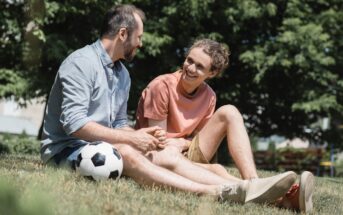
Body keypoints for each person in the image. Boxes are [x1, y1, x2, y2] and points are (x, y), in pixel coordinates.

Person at [40, 4, 299, 206]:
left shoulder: (122, 75)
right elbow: (74, 125)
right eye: (138, 37)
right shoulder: (81, 63)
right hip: (66, 151)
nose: (141, 43)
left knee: (168, 154)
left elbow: (118, 123)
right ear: (123, 34)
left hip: (104, 145)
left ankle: (252, 189)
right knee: (128, 152)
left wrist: (140, 136)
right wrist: (131, 140)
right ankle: (214, 192)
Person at [135, 39, 314, 213]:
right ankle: (282, 200)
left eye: (199, 66)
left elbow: (195, 141)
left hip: (182, 150)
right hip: (159, 152)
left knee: (229, 111)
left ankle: (253, 181)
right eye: (189, 60)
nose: (190, 68)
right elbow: (158, 140)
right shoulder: (161, 86)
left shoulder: (209, 96)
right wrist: (181, 144)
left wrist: (183, 143)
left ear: (211, 73)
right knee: (217, 169)